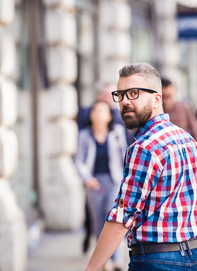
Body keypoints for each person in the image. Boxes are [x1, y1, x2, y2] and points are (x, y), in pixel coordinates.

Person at [86, 63, 197, 271]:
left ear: (157, 99)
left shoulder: (143, 148)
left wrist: (91, 268)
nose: (125, 102)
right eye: (120, 95)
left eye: (133, 93)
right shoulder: (189, 142)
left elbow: (122, 217)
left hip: (156, 261)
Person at [75, 100, 128, 271]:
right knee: (98, 222)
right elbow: (79, 161)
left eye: (103, 111)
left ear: (109, 116)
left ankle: (116, 259)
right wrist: (87, 178)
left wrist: (124, 179)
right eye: (96, 111)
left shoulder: (117, 132)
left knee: (113, 219)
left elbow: (125, 156)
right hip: (94, 184)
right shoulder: (84, 135)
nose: (99, 114)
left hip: (114, 181)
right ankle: (103, 260)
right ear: (91, 115)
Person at [161, 77, 197, 143]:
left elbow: (195, 132)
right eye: (163, 97)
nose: (166, 101)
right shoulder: (155, 112)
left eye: (168, 96)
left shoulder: (184, 108)